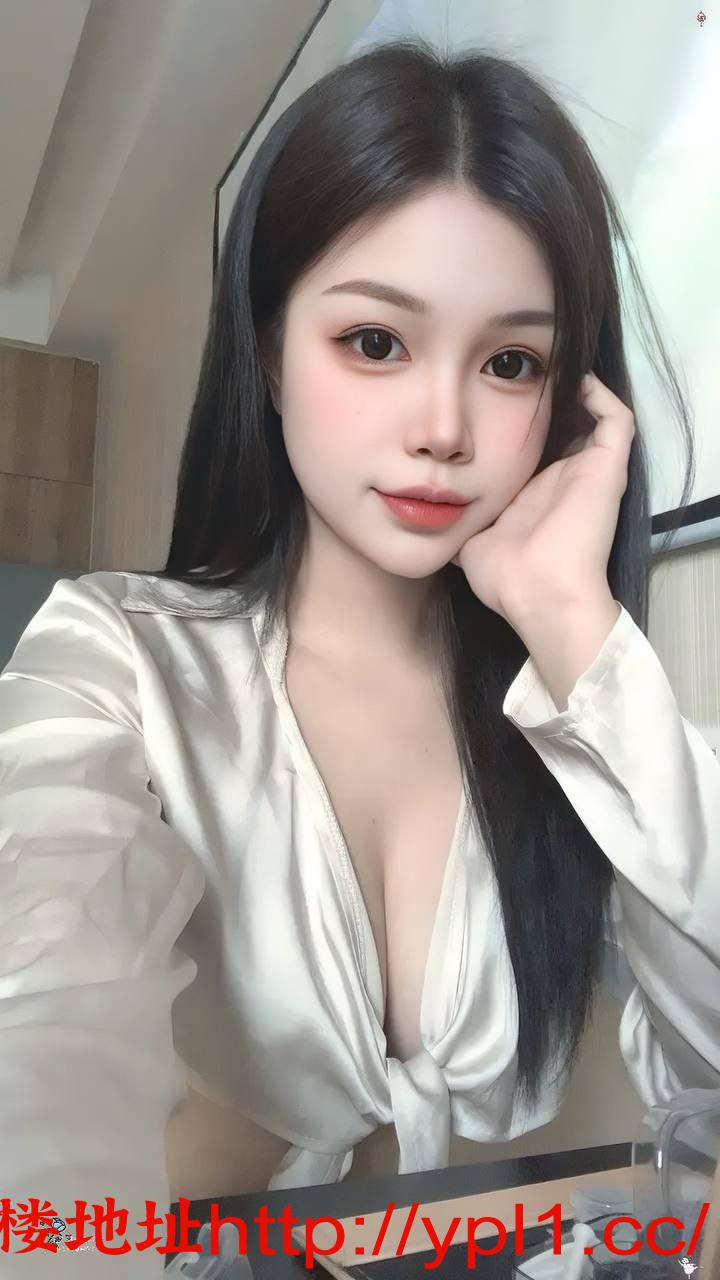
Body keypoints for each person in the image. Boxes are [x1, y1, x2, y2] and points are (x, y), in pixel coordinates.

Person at [1, 35, 718, 1276]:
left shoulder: (570, 710)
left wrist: (575, 623)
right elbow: (38, 1027)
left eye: (510, 362)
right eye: (376, 341)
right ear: (269, 351)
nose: (444, 427)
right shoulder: (120, 665)